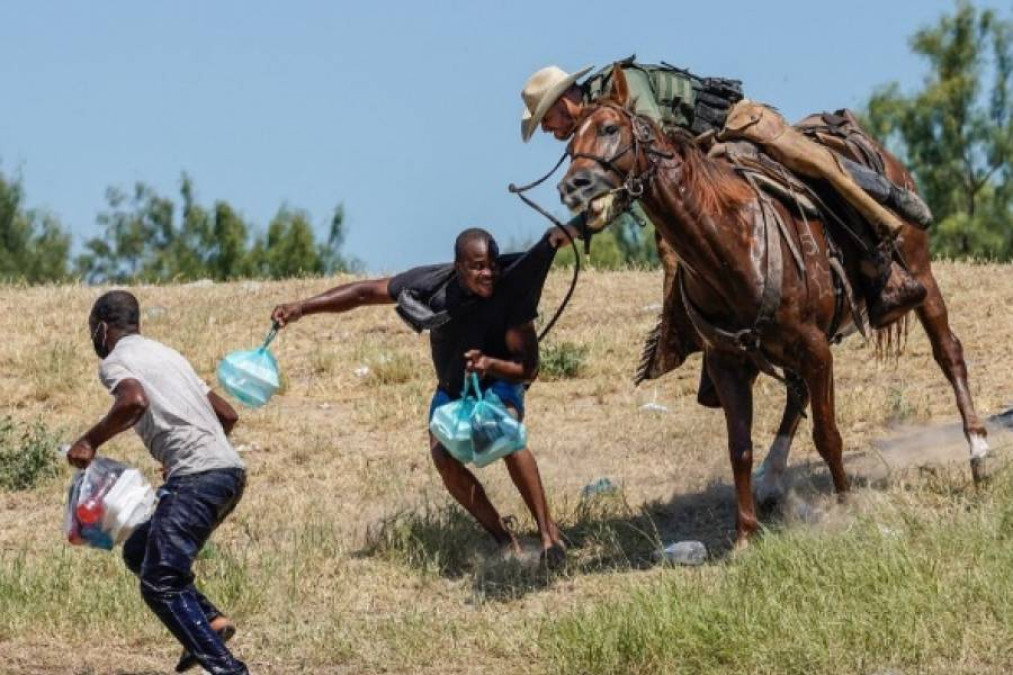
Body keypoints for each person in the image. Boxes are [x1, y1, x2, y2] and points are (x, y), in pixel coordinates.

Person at [519, 59, 934, 396]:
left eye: (548, 119)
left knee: (813, 170)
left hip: (733, 131)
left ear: (564, 99)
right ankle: (712, 338)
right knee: (680, 245)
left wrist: (586, 221)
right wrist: (580, 224)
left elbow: (649, 153)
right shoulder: (592, 130)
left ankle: (882, 252)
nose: (550, 130)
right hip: (700, 163)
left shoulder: (618, 88)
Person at [270, 225, 579, 563]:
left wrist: (489, 363)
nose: (488, 273)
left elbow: (528, 369)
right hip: (452, 389)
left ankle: (550, 538)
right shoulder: (430, 285)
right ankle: (504, 540)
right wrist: (302, 307)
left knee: (503, 433)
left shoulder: (512, 292)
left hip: (500, 381)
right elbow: (364, 293)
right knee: (443, 459)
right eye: (477, 266)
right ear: (458, 266)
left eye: (492, 264)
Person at [66, 290, 249, 675]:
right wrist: (190, 455)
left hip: (200, 477)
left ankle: (229, 670)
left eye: (91, 331)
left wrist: (89, 441)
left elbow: (133, 401)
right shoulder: (167, 355)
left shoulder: (117, 361)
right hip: (229, 472)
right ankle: (209, 620)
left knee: (160, 580)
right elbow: (227, 416)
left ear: (101, 328)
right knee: (139, 551)